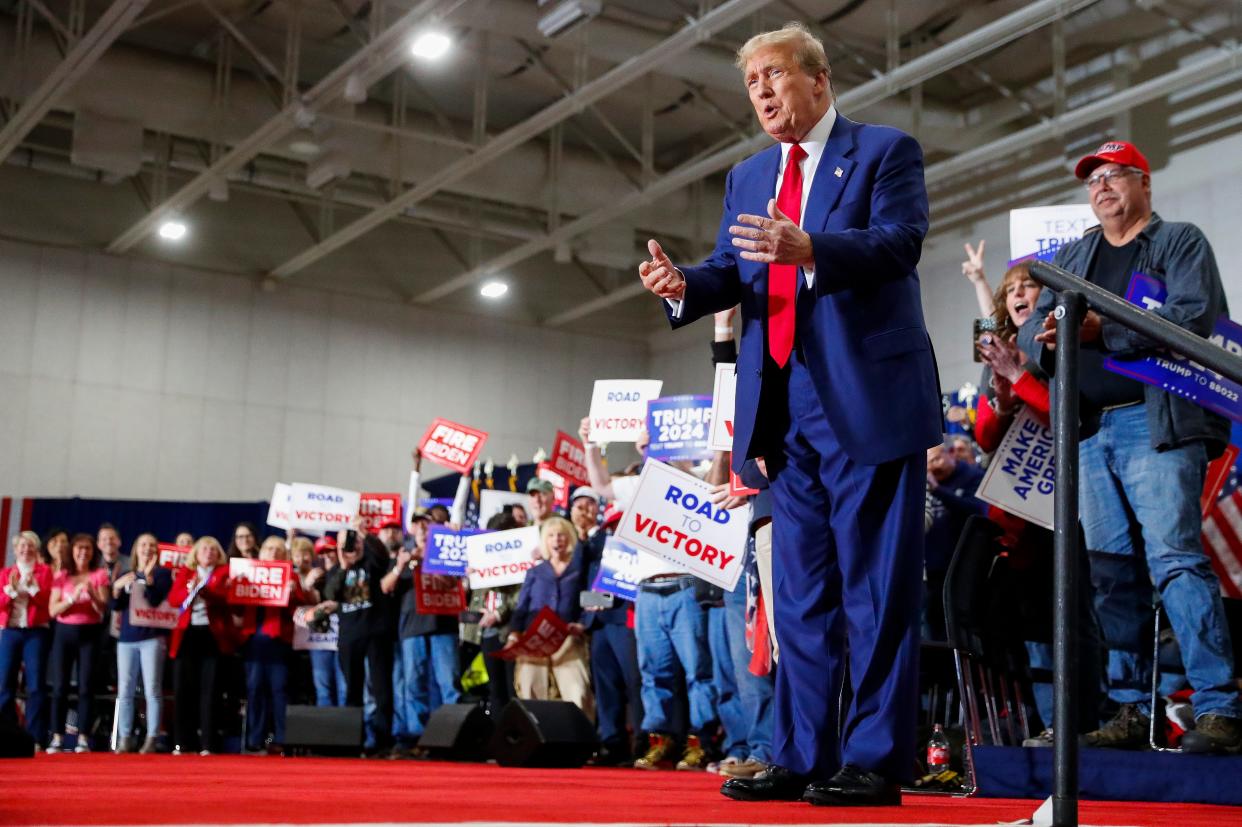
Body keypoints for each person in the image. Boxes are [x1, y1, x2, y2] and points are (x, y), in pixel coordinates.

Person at [638, 23, 940, 805]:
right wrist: (680, 286)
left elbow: (901, 242)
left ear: (819, 79)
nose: (764, 92)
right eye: (752, 84)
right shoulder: (746, 177)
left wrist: (811, 249)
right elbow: (731, 271)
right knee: (799, 595)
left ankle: (873, 759)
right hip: (780, 408)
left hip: (868, 398)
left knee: (876, 591)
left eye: (775, 75)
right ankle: (802, 753)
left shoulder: (884, 151)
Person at [1018, 139, 1241, 753]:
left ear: (1145, 184)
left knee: (1176, 561)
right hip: (1088, 431)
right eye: (1094, 181)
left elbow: (1192, 317)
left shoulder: (1179, 241)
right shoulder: (1073, 255)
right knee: (1112, 576)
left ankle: (1219, 708)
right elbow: (1041, 334)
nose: (1104, 187)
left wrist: (1099, 330)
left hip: (1154, 423)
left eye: (1117, 175)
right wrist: (1042, 339)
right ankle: (1131, 711)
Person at [318, 523, 396, 756]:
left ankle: (382, 742)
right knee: (352, 689)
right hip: (350, 635)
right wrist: (343, 565)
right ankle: (353, 741)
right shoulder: (335, 570)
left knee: (381, 689)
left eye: (355, 541)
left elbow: (382, 554)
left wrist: (364, 534)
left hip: (376, 633)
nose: (352, 546)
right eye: (346, 543)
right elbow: (330, 594)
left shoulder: (373, 563)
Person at [508, 516, 593, 717]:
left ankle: (581, 740)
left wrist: (582, 625)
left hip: (567, 639)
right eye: (552, 536)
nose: (557, 540)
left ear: (569, 539)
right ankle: (538, 739)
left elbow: (589, 602)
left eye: (562, 535)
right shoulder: (535, 572)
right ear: (545, 541)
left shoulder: (580, 571)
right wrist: (514, 635)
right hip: (535, 639)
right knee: (530, 688)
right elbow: (521, 607)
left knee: (577, 690)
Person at [238, 536, 312, 754]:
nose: (273, 553)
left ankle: (281, 738)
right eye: (269, 549)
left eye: (278, 550)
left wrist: (293, 593)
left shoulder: (290, 575)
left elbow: (299, 611)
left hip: (279, 641)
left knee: (279, 690)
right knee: (254, 689)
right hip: (253, 641)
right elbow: (237, 609)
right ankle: (255, 739)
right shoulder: (249, 573)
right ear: (262, 553)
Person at [168, 536, 235, 755]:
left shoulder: (224, 573)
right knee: (183, 690)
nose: (208, 552)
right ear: (195, 553)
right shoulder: (185, 573)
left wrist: (202, 590)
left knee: (211, 691)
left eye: (213, 549)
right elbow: (173, 600)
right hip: (186, 637)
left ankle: (208, 743)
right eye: (204, 548)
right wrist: (189, 589)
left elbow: (224, 598)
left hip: (212, 636)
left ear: (219, 554)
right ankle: (182, 742)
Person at [47, 533, 110, 752]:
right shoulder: (62, 576)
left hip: (90, 633)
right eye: (79, 549)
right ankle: (57, 736)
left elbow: (103, 609)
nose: (83, 553)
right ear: (72, 551)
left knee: (86, 687)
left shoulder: (99, 574)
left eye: (88, 549)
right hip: (64, 632)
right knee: (60, 686)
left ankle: (83, 736)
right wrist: (71, 599)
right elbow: (52, 610)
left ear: (93, 553)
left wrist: (92, 595)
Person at [111, 533, 173, 753]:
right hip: (127, 638)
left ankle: (152, 737)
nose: (147, 549)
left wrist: (148, 581)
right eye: (143, 545)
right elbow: (116, 606)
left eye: (152, 545)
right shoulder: (128, 574)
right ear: (136, 549)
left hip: (152, 637)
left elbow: (156, 601)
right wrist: (117, 587)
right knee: (125, 689)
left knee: (152, 688)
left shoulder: (164, 575)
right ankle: (124, 737)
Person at [0, 531, 53, 748]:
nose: (26, 549)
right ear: (15, 550)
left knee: (36, 685)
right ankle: (6, 734)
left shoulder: (44, 571)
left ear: (36, 549)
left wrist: (32, 587)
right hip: (11, 631)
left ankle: (35, 737)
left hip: (36, 632)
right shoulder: (5, 573)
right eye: (22, 546)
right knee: (4, 683)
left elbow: (47, 603)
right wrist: (11, 590)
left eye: (30, 546)